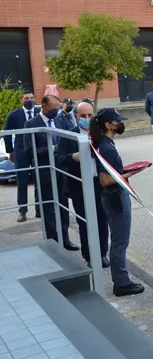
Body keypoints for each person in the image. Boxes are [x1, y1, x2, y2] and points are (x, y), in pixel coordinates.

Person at [89, 108, 146, 297]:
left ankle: (121, 280)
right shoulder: (106, 146)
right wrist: (131, 172)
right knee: (120, 242)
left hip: (112, 197)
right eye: (117, 121)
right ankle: (121, 283)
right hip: (115, 197)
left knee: (118, 241)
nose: (120, 123)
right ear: (108, 125)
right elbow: (105, 180)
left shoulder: (105, 144)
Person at [55, 101, 109, 268]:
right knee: (85, 223)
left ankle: (102, 254)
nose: (87, 118)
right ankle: (89, 255)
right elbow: (58, 159)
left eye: (90, 115)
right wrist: (73, 156)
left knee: (102, 220)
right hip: (79, 185)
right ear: (76, 117)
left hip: (99, 183)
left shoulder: (100, 133)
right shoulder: (69, 136)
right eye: (83, 116)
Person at [24, 94, 76, 251]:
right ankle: (53, 243)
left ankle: (65, 239)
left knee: (63, 206)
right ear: (44, 106)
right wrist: (52, 148)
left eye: (57, 108)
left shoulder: (59, 121)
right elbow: (29, 151)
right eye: (53, 109)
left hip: (61, 171)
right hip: (45, 172)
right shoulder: (32, 124)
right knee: (48, 209)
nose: (55, 111)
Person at [4, 90, 40, 223]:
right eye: (26, 98)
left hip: (37, 150)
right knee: (22, 181)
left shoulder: (39, 112)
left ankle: (39, 209)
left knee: (39, 179)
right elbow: (6, 133)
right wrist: (10, 151)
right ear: (21, 100)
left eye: (31, 97)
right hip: (21, 151)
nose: (29, 100)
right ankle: (22, 211)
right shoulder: (14, 115)